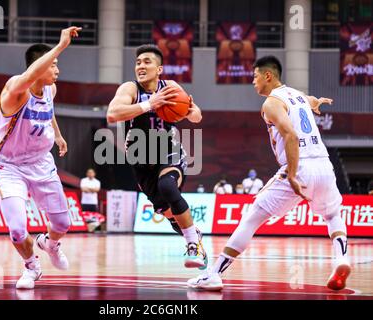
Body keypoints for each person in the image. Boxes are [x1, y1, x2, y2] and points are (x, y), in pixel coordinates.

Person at [188, 55, 350, 291]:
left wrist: (293, 174)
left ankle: (214, 274)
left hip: (300, 165)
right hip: (324, 165)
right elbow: (308, 100)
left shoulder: (271, 103)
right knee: (333, 214)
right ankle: (342, 259)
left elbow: (291, 135)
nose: (253, 82)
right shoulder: (296, 95)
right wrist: (315, 103)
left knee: (252, 217)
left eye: (255, 76)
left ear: (268, 75)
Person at [0, 26, 82, 289]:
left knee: (63, 223)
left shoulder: (50, 91)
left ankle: (49, 243)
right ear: (39, 67)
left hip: (41, 163)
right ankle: (32, 267)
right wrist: (61, 44)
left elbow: (49, 113)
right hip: (9, 166)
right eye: (53, 65)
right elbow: (29, 75)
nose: (57, 70)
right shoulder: (15, 89)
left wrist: (59, 135)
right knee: (17, 229)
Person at [107, 44, 207, 269]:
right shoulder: (130, 89)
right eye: (138, 62)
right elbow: (113, 114)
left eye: (147, 62)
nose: (141, 66)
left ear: (159, 68)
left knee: (168, 187)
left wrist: (189, 110)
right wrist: (149, 104)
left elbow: (197, 116)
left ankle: (193, 245)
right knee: (169, 213)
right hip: (140, 156)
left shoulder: (170, 87)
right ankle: (194, 235)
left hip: (167, 148)